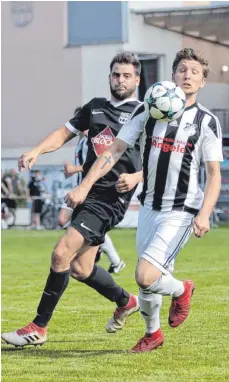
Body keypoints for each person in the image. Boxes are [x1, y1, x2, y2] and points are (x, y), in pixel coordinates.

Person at [60, 48, 223, 352]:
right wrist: (85, 185)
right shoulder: (147, 110)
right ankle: (153, 334)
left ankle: (183, 289)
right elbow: (114, 150)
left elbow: (214, 175)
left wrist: (204, 213)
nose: (187, 75)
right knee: (148, 280)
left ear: (202, 83)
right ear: (172, 76)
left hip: (182, 211)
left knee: (146, 274)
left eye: (194, 72)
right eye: (182, 70)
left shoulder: (206, 121)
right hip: (149, 206)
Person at [1, 52, 143, 347]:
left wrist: (136, 177)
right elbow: (64, 133)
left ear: (137, 80)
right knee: (81, 269)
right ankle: (125, 301)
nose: (120, 80)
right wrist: (37, 150)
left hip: (109, 198)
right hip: (87, 195)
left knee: (60, 253)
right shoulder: (95, 108)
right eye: (116, 74)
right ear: (109, 77)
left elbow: (158, 160)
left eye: (126, 75)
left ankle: (39, 327)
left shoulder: (143, 113)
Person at [59, 127, 126, 274]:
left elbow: (100, 163)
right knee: (65, 220)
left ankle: (114, 259)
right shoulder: (81, 142)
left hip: (88, 189)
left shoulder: (95, 141)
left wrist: (75, 169)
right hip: (78, 187)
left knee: (84, 225)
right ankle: (105, 253)